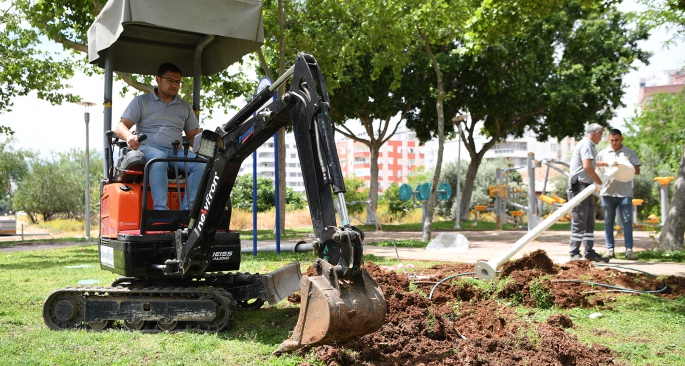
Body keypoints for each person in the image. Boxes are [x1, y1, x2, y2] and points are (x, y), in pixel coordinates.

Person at [114, 63, 205, 210]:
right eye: (170, 80)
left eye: (177, 82)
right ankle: (161, 211)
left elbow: (192, 136)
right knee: (159, 157)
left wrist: (202, 138)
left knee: (201, 164)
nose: (174, 85)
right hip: (148, 148)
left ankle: (189, 212)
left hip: (176, 152)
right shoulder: (141, 102)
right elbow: (120, 127)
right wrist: (129, 136)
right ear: (158, 79)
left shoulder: (185, 107)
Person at [597, 129, 641, 260]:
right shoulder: (603, 153)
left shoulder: (629, 152)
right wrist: (606, 164)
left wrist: (627, 164)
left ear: (621, 139)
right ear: (608, 139)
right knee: (608, 222)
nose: (614, 143)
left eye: (617, 140)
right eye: (612, 140)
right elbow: (594, 164)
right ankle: (609, 250)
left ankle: (629, 251)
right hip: (607, 192)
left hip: (625, 193)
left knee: (627, 222)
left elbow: (637, 171)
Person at [568, 123, 608, 262]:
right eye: (601, 135)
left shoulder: (587, 145)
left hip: (586, 186)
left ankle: (589, 252)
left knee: (589, 221)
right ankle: (574, 253)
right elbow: (587, 166)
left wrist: (608, 164)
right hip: (580, 186)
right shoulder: (587, 144)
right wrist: (598, 181)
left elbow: (591, 163)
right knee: (580, 220)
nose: (601, 138)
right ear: (597, 132)